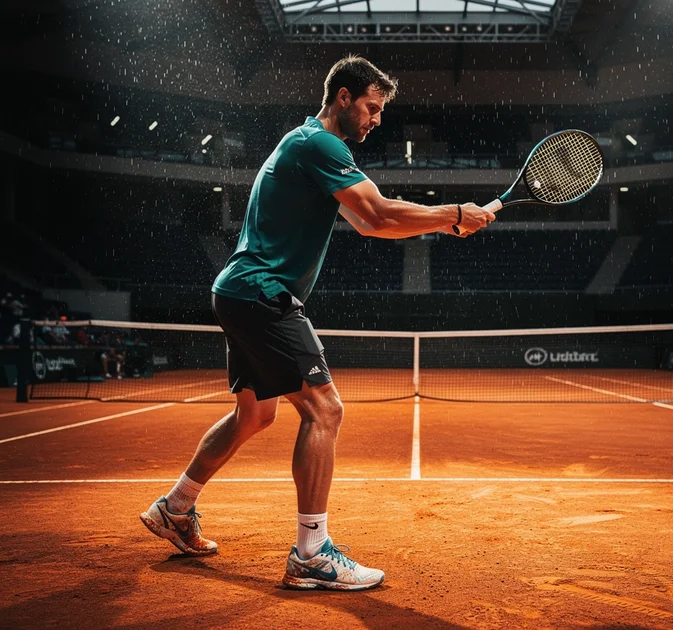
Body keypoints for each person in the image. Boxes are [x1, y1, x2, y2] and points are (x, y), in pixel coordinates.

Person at [139, 55, 496, 591]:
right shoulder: (320, 144)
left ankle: (176, 507)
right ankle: (311, 553)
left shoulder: (307, 145)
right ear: (345, 97)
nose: (377, 121)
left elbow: (369, 225)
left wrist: (447, 224)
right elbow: (376, 214)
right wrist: (452, 213)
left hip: (237, 291)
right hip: (263, 294)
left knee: (254, 417)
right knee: (325, 410)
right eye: (373, 108)